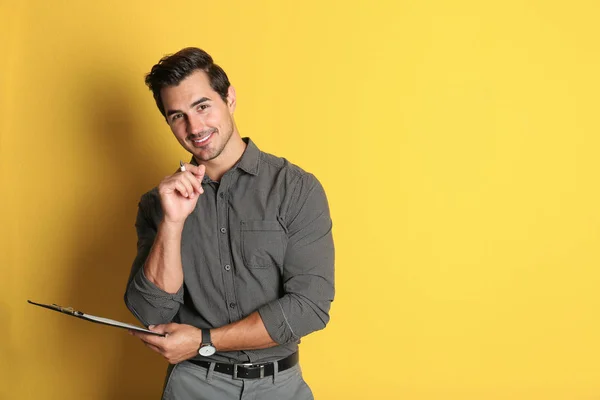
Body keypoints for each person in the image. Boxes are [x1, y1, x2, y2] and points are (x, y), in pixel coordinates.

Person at [124, 47, 335, 400]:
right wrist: (172, 224)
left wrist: (203, 341)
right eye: (177, 116)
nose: (194, 127)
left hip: (279, 386)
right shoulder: (157, 204)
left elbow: (309, 307)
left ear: (230, 98)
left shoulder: (295, 188)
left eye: (202, 106)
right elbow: (151, 311)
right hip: (192, 386)